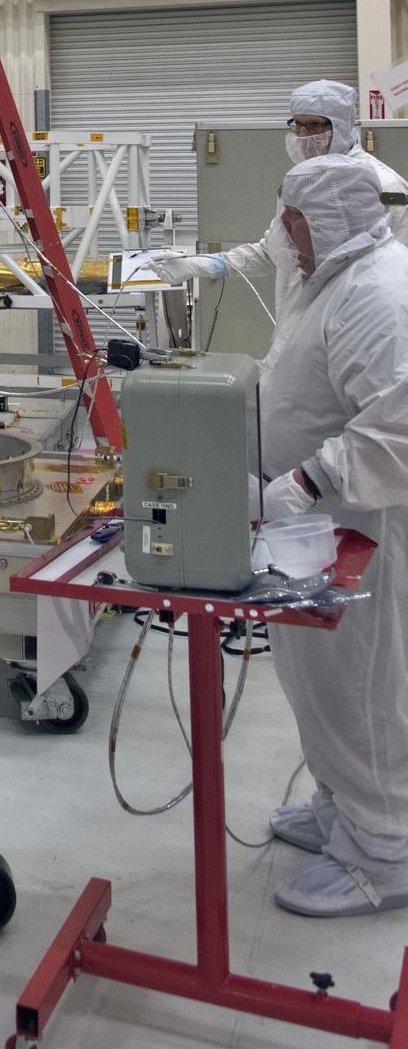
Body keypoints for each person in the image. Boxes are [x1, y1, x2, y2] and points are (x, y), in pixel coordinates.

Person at [256, 153, 408, 917]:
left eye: (294, 221)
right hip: (314, 527)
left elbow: (397, 423)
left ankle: (384, 851)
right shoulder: (331, 278)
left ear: (329, 218)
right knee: (315, 679)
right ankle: (340, 807)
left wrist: (308, 478)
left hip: (360, 524)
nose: (283, 235)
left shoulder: (377, 292)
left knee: (360, 686)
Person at [155, 79, 408, 346]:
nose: (303, 135)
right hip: (300, 324)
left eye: (314, 125)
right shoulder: (306, 179)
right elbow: (276, 250)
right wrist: (202, 264)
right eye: (297, 124)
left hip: (358, 328)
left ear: (342, 126)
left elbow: (393, 268)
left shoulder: (382, 185)